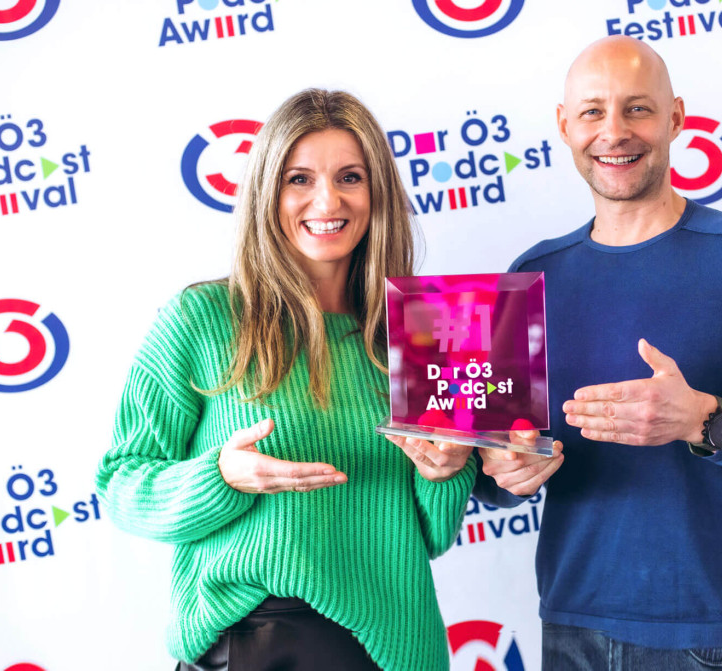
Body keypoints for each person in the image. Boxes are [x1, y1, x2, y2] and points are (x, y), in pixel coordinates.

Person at [474, 36, 722, 670]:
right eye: (592, 112)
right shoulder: (533, 274)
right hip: (570, 622)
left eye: (637, 109)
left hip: (704, 631)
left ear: (677, 117)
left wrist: (704, 419)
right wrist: (504, 474)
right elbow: (500, 471)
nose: (614, 132)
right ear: (563, 125)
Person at [96, 89, 477, 671]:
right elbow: (122, 484)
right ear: (267, 191)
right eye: (299, 178)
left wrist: (446, 471)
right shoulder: (201, 319)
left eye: (350, 176)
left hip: (394, 647)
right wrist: (221, 477)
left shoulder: (427, 331)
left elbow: (429, 535)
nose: (327, 199)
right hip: (251, 640)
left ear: (378, 193)